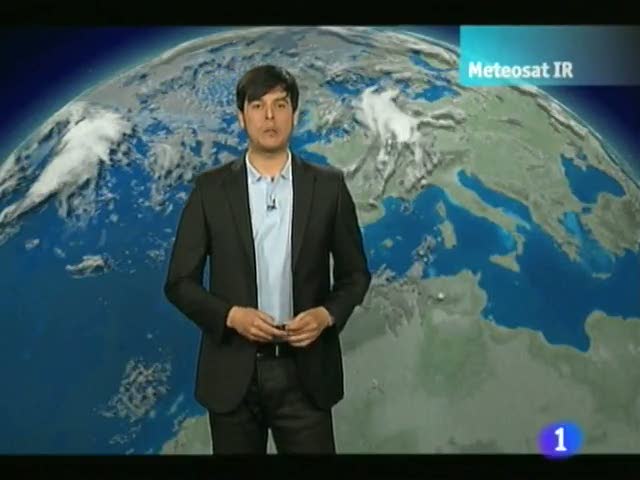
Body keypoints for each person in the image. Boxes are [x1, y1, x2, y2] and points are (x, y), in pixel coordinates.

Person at [163, 64, 371, 454]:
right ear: (241, 117)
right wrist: (231, 316)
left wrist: (325, 315)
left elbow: (356, 275)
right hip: (233, 377)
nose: (269, 116)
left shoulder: (328, 188)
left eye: (280, 104)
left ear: (295, 113)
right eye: (257, 106)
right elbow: (179, 283)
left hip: (307, 376)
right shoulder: (210, 191)